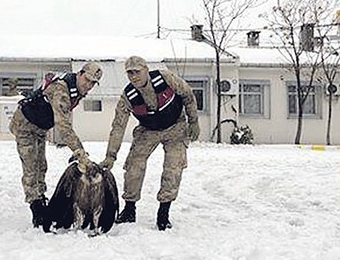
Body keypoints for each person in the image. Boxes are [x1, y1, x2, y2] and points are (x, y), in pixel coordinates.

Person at [100, 56, 200, 230]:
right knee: (133, 165)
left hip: (176, 127)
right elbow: (118, 126)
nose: (134, 76)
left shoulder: (166, 78)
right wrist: (111, 156)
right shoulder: (128, 96)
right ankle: (129, 209)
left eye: (137, 72)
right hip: (148, 130)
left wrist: (193, 121)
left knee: (173, 167)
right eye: (129, 73)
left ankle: (163, 213)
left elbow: (188, 94)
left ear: (146, 70)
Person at [10, 62, 103, 227]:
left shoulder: (75, 90)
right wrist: (80, 152)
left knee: (41, 166)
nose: (88, 85)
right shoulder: (62, 90)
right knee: (31, 167)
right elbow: (63, 126)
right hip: (24, 125)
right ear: (80, 74)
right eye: (87, 80)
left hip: (39, 128)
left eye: (92, 83)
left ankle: (41, 200)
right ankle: (37, 210)